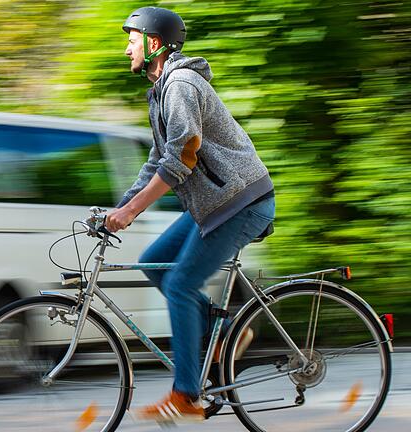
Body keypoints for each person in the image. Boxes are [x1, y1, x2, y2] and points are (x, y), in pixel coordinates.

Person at [105, 6, 276, 423]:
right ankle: (221, 342)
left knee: (180, 284)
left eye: (132, 39)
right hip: (214, 204)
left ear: (154, 44)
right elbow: (157, 161)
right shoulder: (160, 89)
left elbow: (182, 157)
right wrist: (120, 207)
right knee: (153, 265)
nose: (126, 47)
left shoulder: (179, 85)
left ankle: (186, 394)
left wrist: (131, 211)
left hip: (239, 202)